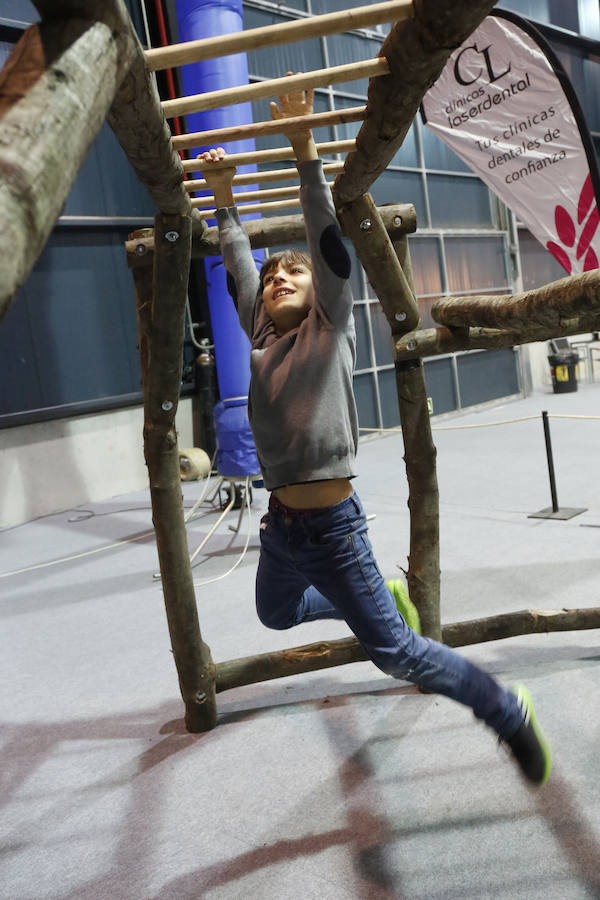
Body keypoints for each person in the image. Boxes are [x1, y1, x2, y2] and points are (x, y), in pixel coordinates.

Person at [200, 79, 552, 787]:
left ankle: (505, 709)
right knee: (274, 612)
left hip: (332, 526)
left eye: (293, 271)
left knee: (396, 653)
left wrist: (303, 155)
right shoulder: (262, 334)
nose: (279, 277)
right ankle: (375, 599)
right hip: (283, 530)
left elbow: (326, 246)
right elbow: (240, 263)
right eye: (274, 277)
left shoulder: (330, 326)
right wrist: (224, 199)